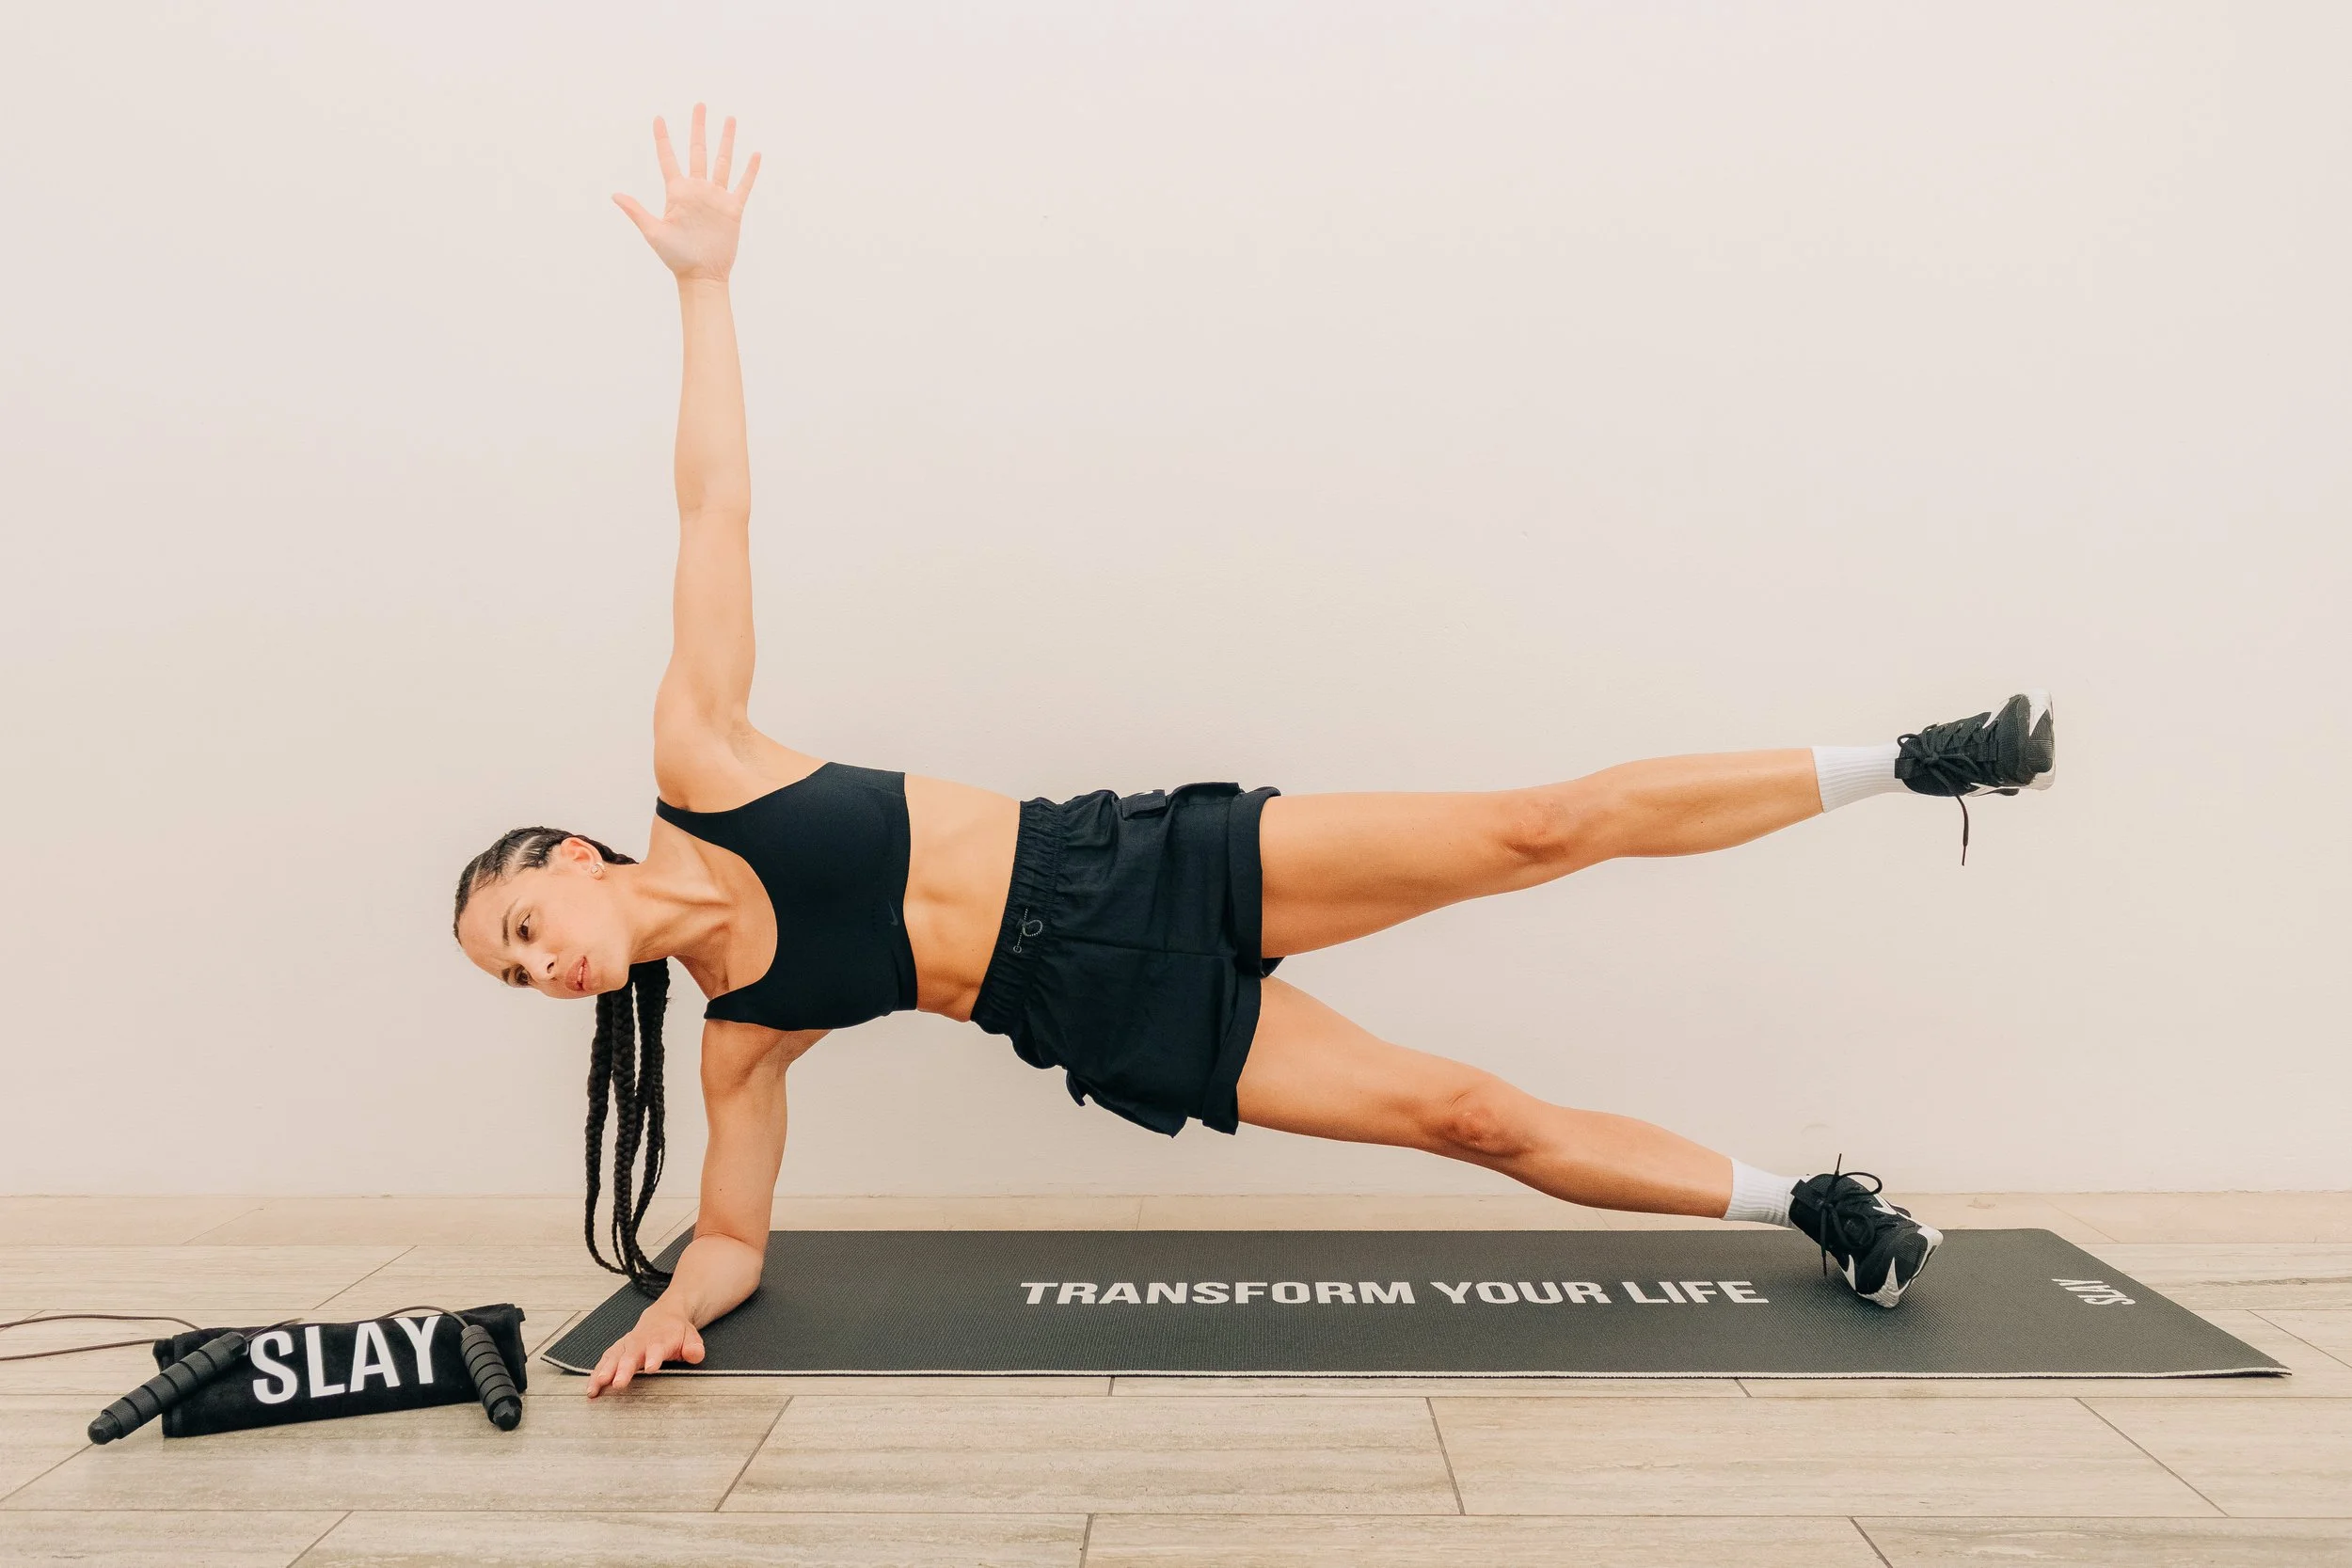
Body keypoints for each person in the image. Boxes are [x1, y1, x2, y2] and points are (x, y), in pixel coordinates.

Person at [451, 107, 2058, 1398]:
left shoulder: (702, 756)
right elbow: (732, 1238)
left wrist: (704, 287)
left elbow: (713, 510)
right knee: (1468, 1116)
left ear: (571, 859)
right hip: (1110, 1008)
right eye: (519, 979)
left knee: (1539, 822)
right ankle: (1812, 1204)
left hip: (1130, 857)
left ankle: (1910, 760)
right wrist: (683, 1313)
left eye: (524, 927)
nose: (546, 967)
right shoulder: (742, 1034)